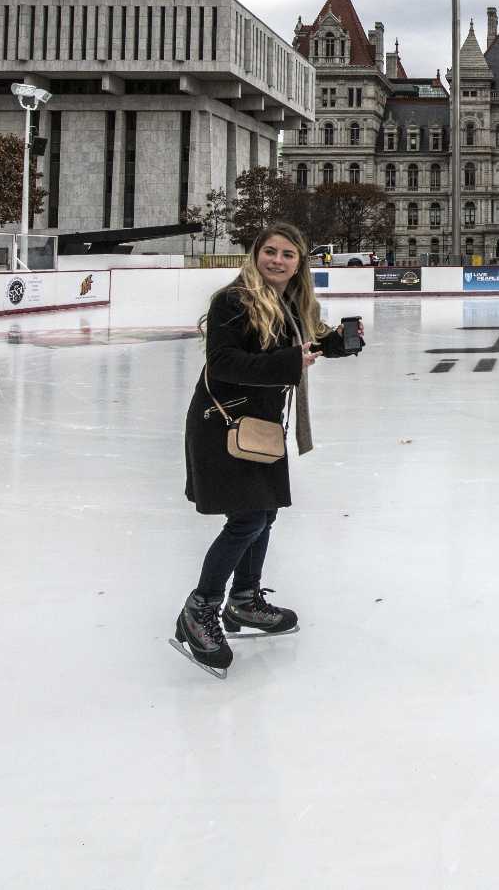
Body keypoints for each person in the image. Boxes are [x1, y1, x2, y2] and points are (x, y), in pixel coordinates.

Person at [173, 222, 358, 679]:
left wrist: (330, 345)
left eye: (287, 255)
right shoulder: (232, 301)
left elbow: (294, 348)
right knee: (248, 518)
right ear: (256, 254)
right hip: (224, 424)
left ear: (300, 263)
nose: (277, 260)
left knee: (266, 511)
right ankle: (200, 609)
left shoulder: (289, 303)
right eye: (270, 251)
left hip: (259, 425)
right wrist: (292, 362)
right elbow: (225, 363)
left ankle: (244, 600)